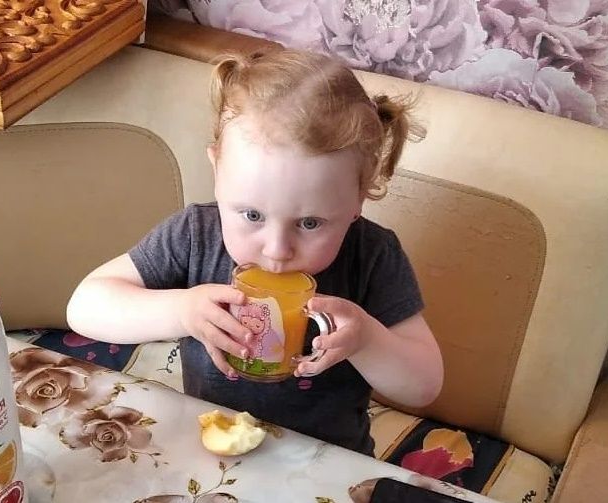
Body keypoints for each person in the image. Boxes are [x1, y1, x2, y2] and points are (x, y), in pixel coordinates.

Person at [66, 49, 443, 457]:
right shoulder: (195, 235)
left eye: (310, 223)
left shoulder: (372, 256)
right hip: (214, 446)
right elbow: (85, 307)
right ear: (217, 170)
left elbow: (424, 385)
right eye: (252, 215)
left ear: (358, 199)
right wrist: (182, 311)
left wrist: (367, 339)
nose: (277, 251)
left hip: (326, 459)